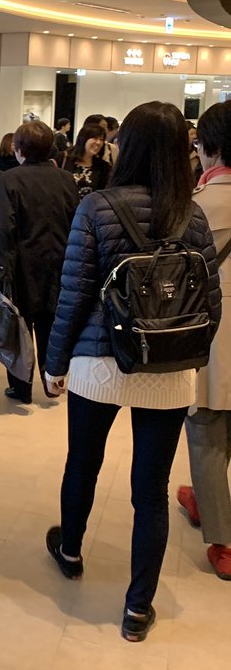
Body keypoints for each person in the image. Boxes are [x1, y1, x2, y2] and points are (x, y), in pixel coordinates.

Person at [44, 102, 221, 642]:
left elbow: (73, 295)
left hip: (100, 361)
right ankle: (138, 607)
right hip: (167, 373)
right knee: (151, 488)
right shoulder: (192, 216)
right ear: (179, 152)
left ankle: (70, 550)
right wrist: (183, 354)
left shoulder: (97, 206)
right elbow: (210, 306)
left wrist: (54, 364)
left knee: (84, 462)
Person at [178, 102, 231, 578]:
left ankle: (223, 541)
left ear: (208, 146)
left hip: (216, 334)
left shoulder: (197, 207)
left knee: (208, 432)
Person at [0, 120, 79, 403]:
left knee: (20, 326)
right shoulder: (66, 179)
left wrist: (2, 272)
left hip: (21, 265)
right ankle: (51, 379)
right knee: (51, 323)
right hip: (58, 261)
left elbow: (7, 228)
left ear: (18, 148)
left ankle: (20, 386)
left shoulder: (10, 178)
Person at [62, 120, 111, 196]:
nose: (98, 142)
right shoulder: (64, 159)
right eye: (95, 138)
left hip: (90, 207)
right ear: (84, 139)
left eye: (101, 139)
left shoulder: (103, 167)